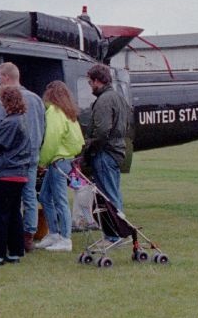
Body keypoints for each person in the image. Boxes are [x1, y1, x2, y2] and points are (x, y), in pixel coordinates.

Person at [0, 84, 34, 265]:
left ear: (6, 102)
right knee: (13, 214)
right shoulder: (23, 119)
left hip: (6, 173)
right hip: (19, 173)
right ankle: (15, 253)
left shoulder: (10, 122)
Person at [0, 62, 45, 252]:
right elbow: (44, 125)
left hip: (11, 156)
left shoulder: (4, 101)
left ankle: (11, 234)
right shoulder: (36, 99)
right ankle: (28, 236)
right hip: (32, 153)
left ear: (7, 78)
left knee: (11, 197)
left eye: (0, 78)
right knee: (29, 194)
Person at [34, 79, 84, 252]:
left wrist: (42, 161)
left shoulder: (54, 112)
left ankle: (65, 238)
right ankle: (54, 233)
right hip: (65, 160)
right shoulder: (69, 113)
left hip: (57, 161)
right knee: (45, 197)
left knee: (60, 200)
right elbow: (79, 141)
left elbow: (51, 140)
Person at [83, 63, 130, 216]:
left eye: (90, 82)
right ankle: (119, 230)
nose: (90, 86)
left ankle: (113, 235)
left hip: (105, 153)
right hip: (117, 151)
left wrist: (89, 146)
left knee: (108, 196)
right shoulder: (119, 98)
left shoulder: (104, 100)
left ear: (97, 80)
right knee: (114, 193)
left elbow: (102, 131)